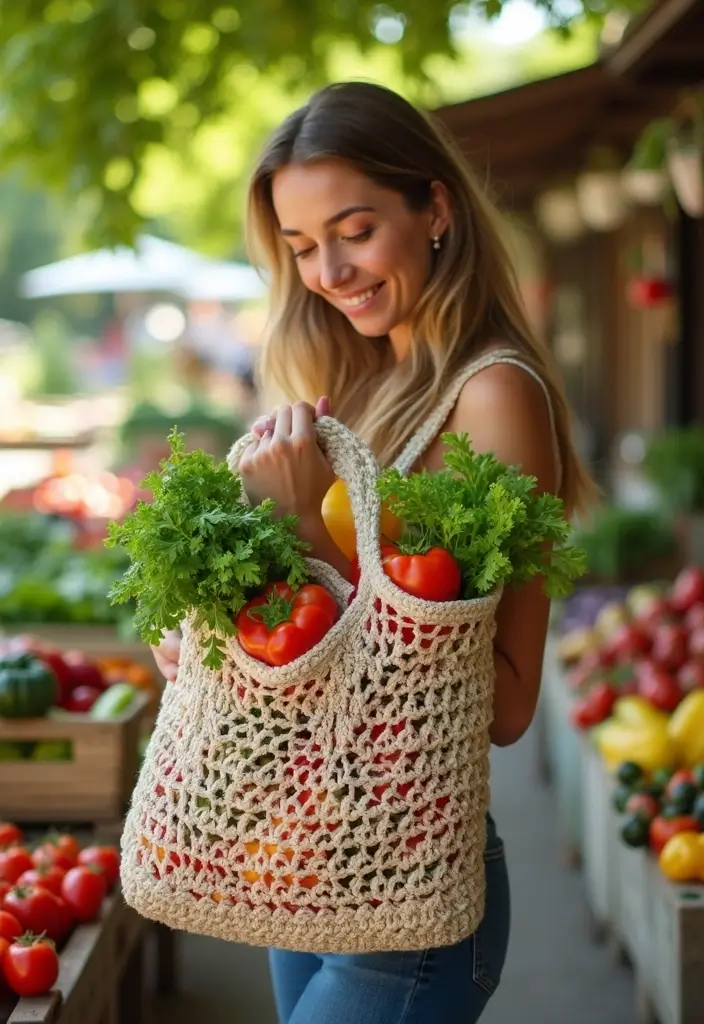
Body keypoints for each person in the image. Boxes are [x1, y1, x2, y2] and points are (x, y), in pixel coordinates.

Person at [151, 81, 595, 1024]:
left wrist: (309, 533)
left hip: (411, 893)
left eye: (353, 230)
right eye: (303, 246)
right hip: (307, 862)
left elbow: (506, 702)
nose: (329, 270)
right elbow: (321, 654)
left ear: (434, 208)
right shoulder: (356, 386)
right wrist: (221, 647)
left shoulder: (492, 396)